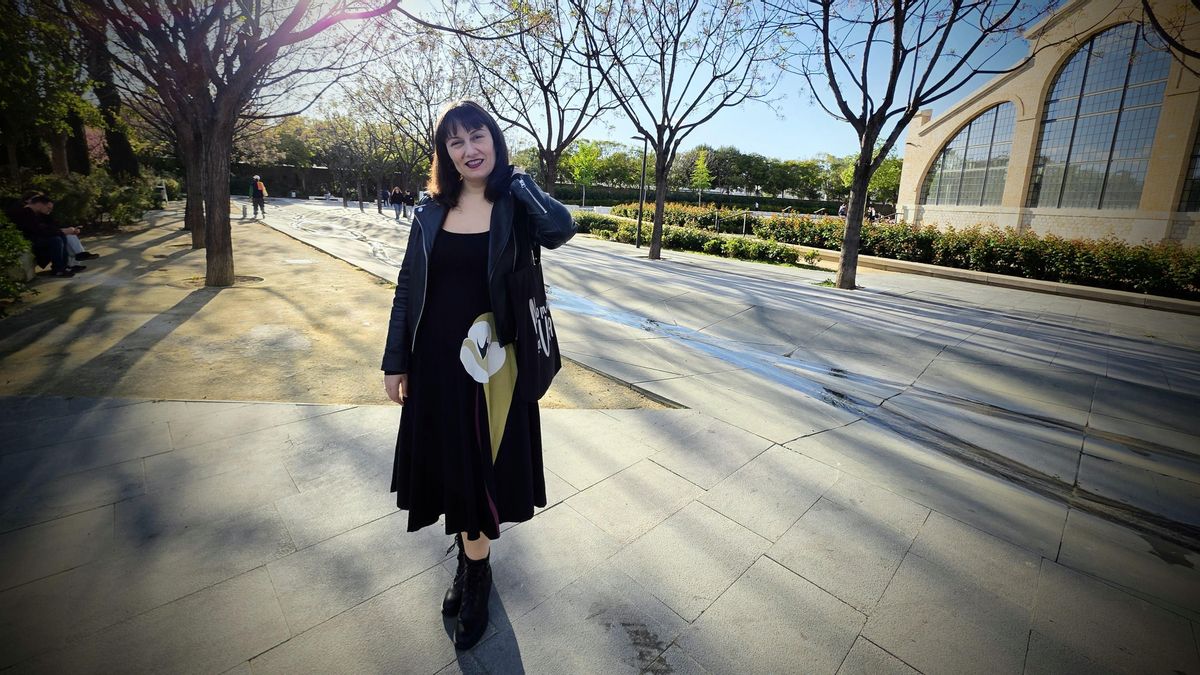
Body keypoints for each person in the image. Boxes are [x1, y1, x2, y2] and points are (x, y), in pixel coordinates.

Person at [381, 100, 575, 651]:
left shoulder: (514, 204)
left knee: (479, 467)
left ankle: (477, 574)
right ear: (445, 152)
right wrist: (396, 359)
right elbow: (406, 290)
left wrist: (522, 184)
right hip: (436, 361)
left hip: (493, 366)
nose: (469, 149)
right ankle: (471, 565)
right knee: (451, 465)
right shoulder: (428, 211)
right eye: (456, 141)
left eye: (478, 136)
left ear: (495, 139)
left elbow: (563, 229)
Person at [10, 195, 81, 277]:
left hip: (36, 238)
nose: (49, 211)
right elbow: (38, 230)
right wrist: (61, 231)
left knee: (61, 236)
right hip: (27, 240)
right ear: (39, 204)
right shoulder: (24, 212)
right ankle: (58, 269)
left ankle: (63, 267)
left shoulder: (38, 213)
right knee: (56, 239)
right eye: (48, 208)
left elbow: (50, 227)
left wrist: (63, 231)